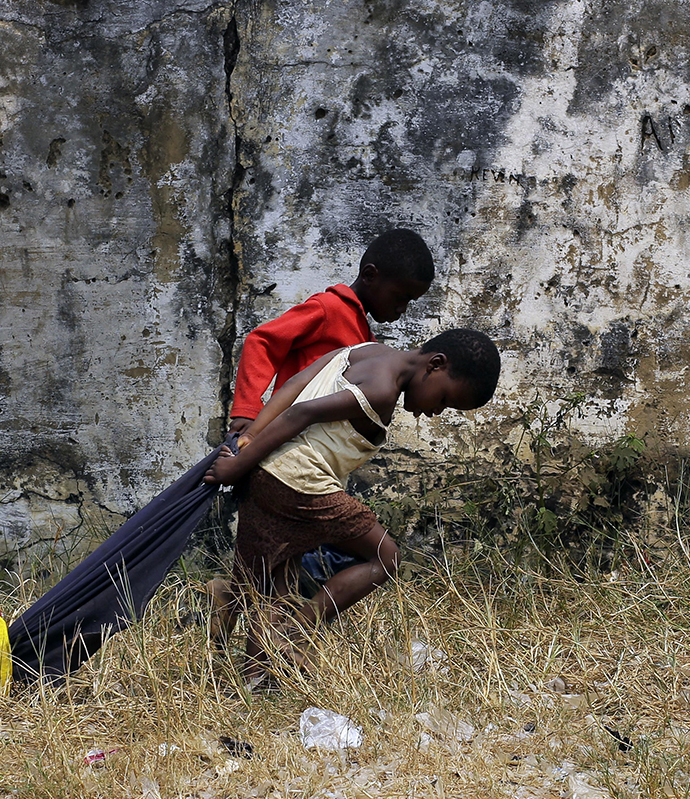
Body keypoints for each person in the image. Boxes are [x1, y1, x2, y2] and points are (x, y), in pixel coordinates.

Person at [204, 329, 501, 682]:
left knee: (270, 588)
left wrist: (251, 437)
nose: (435, 412)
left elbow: (297, 383)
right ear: (436, 365)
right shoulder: (382, 390)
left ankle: (243, 640)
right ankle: (298, 630)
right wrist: (237, 464)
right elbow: (302, 413)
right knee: (385, 557)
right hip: (300, 482)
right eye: (444, 400)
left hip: (268, 472)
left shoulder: (366, 351)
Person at [227, 228, 436, 435]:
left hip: (312, 443)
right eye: (400, 297)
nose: (402, 309)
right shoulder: (329, 308)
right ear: (369, 275)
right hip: (282, 432)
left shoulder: (367, 341)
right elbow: (263, 341)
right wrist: (247, 411)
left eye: (409, 302)